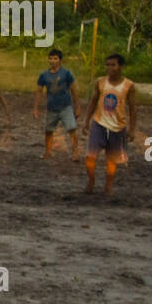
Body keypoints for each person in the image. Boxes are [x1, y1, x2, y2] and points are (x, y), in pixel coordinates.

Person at [81, 53, 137, 196]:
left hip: (118, 127)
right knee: (90, 157)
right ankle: (91, 181)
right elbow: (93, 101)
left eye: (113, 65)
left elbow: (132, 107)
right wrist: (86, 120)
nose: (110, 68)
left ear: (120, 67)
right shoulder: (100, 82)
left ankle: (108, 186)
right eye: (107, 65)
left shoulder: (128, 85)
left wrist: (132, 129)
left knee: (111, 160)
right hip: (99, 123)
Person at [32, 49, 81, 160]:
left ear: (60, 60)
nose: (53, 61)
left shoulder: (66, 73)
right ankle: (47, 152)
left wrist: (77, 107)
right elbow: (39, 91)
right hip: (51, 107)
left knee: (71, 129)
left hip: (65, 106)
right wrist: (35, 108)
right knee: (49, 131)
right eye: (51, 58)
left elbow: (74, 90)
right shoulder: (44, 75)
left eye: (55, 58)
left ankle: (75, 152)